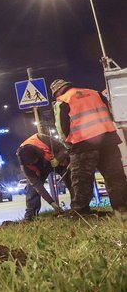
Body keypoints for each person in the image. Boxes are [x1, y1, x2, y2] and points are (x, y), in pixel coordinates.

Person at [51, 79, 127, 215]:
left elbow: (62, 128)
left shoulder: (62, 100)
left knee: (82, 180)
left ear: (57, 92)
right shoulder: (94, 93)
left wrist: (68, 143)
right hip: (108, 140)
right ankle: (122, 209)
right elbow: (110, 112)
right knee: (115, 177)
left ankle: (81, 212)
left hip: (83, 144)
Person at [16, 132, 71, 221]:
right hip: (40, 169)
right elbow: (38, 186)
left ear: (38, 154)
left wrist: (58, 159)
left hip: (54, 159)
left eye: (34, 161)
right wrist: (52, 202)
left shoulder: (42, 138)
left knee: (70, 179)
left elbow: (64, 149)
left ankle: (78, 207)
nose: (33, 164)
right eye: (31, 163)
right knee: (32, 189)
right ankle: (30, 216)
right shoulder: (25, 164)